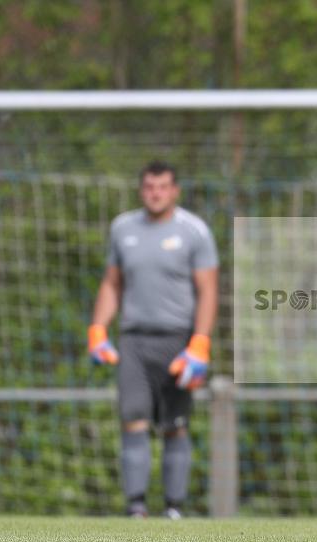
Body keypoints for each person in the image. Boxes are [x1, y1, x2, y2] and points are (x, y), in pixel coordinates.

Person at [88, 161, 219, 519]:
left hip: (178, 340)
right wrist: (98, 329)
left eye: (162, 187)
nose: (155, 193)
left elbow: (208, 291)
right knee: (133, 419)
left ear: (174, 190)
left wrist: (200, 342)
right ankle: (136, 507)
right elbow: (112, 283)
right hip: (133, 340)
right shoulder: (123, 228)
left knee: (174, 425)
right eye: (149, 187)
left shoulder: (194, 231)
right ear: (140, 189)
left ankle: (174, 508)